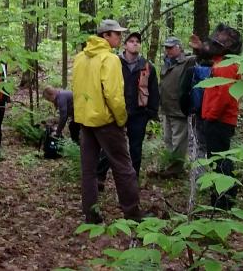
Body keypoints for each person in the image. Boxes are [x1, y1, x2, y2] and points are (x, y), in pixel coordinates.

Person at [73, 19, 142, 224]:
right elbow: (114, 95)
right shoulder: (109, 59)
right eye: (116, 34)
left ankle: (91, 215)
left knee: (89, 170)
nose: (120, 38)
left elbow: (78, 90)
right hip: (106, 122)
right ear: (106, 36)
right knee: (123, 167)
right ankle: (133, 213)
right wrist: (121, 119)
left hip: (86, 121)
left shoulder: (79, 58)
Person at [189, 24, 243, 209]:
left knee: (220, 161)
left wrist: (210, 117)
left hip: (219, 121)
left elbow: (223, 97)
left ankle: (223, 200)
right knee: (219, 159)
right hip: (218, 119)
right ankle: (223, 197)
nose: (214, 44)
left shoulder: (225, 67)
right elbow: (207, 53)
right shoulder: (220, 62)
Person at [98, 31, 159, 182]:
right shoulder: (114, 62)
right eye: (131, 41)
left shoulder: (147, 66)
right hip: (115, 111)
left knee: (136, 148)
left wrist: (150, 113)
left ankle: (133, 180)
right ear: (125, 45)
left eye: (137, 41)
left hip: (138, 113)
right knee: (109, 146)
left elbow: (154, 91)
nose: (135, 43)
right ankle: (99, 177)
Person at [158, 36, 195, 177]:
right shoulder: (166, 63)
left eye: (171, 47)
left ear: (179, 48)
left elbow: (201, 58)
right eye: (166, 47)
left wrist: (198, 47)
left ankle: (176, 168)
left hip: (179, 108)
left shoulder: (187, 61)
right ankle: (171, 164)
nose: (168, 50)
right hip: (167, 107)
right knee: (168, 138)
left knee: (179, 140)